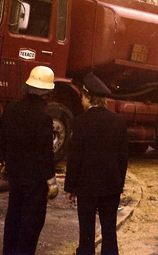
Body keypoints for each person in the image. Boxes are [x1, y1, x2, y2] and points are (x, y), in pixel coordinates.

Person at [65, 73, 129, 255]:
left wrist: (70, 187)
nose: (81, 101)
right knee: (109, 232)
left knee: (86, 233)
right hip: (111, 187)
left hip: (86, 188)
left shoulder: (80, 122)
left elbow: (74, 157)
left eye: (82, 97)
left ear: (88, 97)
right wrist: (119, 183)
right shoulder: (119, 121)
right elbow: (123, 157)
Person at [0, 66, 59, 255]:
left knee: (13, 217)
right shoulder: (44, 117)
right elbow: (45, 153)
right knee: (31, 223)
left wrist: (5, 163)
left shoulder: (11, 109)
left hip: (15, 174)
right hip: (35, 180)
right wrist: (52, 182)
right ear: (47, 93)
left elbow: (3, 140)